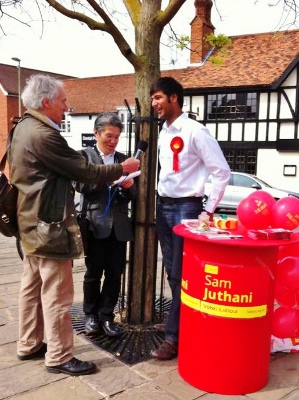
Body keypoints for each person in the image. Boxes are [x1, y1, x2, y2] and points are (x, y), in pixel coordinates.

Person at [8, 74, 140, 376]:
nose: (67, 107)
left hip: (29, 223)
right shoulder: (44, 134)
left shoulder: (22, 127)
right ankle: (58, 355)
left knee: (31, 288)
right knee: (57, 295)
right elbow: (84, 170)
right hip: (49, 227)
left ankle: (29, 343)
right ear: (46, 102)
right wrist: (124, 168)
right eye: (63, 101)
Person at [149, 77, 231, 360]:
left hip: (187, 209)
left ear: (173, 98)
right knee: (173, 273)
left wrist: (208, 211)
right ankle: (178, 321)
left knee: (184, 274)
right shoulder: (163, 131)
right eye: (152, 98)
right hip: (164, 207)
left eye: (158, 97)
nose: (154, 103)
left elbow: (222, 172)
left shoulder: (196, 132)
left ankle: (173, 337)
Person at [74, 112, 137, 337]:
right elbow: (80, 185)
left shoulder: (123, 159)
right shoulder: (84, 157)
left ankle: (107, 316)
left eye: (117, 137)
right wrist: (108, 177)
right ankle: (90, 315)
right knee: (93, 274)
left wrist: (129, 187)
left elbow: (134, 195)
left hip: (118, 228)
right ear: (96, 133)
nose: (113, 141)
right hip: (94, 225)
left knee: (114, 274)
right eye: (109, 136)